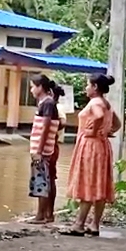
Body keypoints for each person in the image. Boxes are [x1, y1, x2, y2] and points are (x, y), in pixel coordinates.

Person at [61, 74, 121, 237]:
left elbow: (99, 116)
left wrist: (93, 131)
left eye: (88, 85)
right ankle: (94, 224)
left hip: (91, 146)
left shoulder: (95, 102)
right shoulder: (106, 103)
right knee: (99, 184)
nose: (86, 88)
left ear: (95, 87)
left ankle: (79, 224)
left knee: (88, 182)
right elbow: (117, 123)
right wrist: (107, 132)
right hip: (102, 146)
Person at [27, 74, 60, 224]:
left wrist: (39, 151)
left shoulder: (47, 103)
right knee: (48, 180)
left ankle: (41, 215)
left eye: (33, 86)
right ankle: (48, 214)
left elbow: (45, 128)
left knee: (42, 181)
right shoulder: (47, 103)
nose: (31, 90)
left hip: (44, 151)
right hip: (45, 149)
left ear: (40, 87)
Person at [47, 85, 67, 223]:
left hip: (51, 146)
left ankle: (49, 213)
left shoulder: (56, 108)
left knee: (50, 178)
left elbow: (63, 123)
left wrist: (51, 126)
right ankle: (47, 212)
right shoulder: (52, 106)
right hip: (50, 145)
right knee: (48, 178)